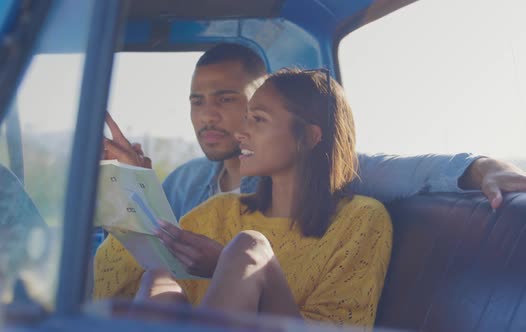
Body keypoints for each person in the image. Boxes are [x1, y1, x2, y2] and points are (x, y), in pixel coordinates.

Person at [95, 69, 392, 328]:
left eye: (258, 119)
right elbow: (113, 282)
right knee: (158, 280)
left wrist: (225, 265)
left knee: (249, 247)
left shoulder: (363, 219)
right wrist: (134, 182)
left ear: (311, 136)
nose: (241, 132)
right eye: (246, 118)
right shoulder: (220, 212)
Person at [103, 43, 526, 222]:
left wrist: (485, 167)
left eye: (226, 99)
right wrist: (136, 182)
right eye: (197, 101)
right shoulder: (185, 181)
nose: (207, 116)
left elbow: (409, 171)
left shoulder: (304, 171)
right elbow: (160, 259)